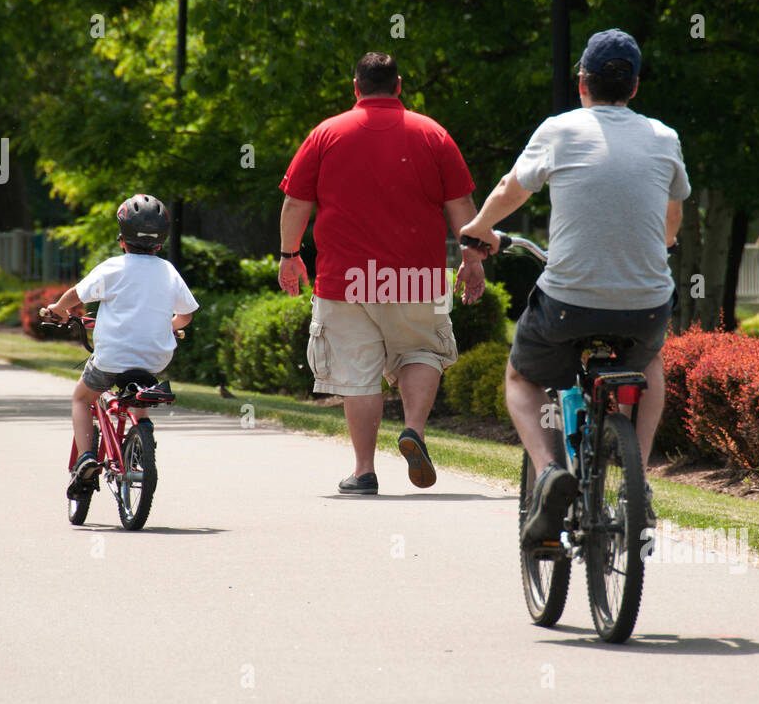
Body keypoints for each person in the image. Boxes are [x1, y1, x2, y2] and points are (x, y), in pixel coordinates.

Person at [459, 29, 691, 546]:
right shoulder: (664, 138)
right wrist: (661, 247)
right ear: (634, 87)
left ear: (581, 82)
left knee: (521, 378)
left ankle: (548, 474)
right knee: (649, 362)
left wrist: (478, 233)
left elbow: (507, 190)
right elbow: (671, 224)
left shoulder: (559, 131)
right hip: (645, 305)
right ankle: (638, 486)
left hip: (569, 304)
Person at [278, 52, 485, 494]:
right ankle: (413, 430)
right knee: (422, 352)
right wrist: (473, 259)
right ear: (399, 86)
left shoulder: (326, 134)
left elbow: (296, 203)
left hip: (345, 280)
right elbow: (461, 207)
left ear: (356, 87)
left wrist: (289, 254)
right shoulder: (433, 134)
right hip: (418, 277)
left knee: (358, 373)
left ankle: (364, 470)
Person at [45, 194, 199, 487]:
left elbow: (77, 294)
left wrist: (58, 309)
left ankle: (86, 458)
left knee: (81, 397)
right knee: (138, 390)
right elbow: (186, 315)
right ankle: (142, 436)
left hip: (112, 358)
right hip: (155, 357)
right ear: (161, 243)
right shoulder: (168, 271)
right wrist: (171, 325)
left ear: (122, 240)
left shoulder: (113, 268)